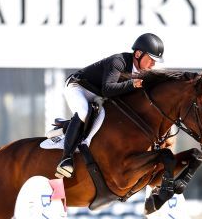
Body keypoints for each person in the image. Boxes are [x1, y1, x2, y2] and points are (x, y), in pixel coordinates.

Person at [56, 33, 165, 179]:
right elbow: (108, 89)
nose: (153, 64)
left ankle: (68, 126)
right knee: (83, 112)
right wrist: (132, 84)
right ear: (138, 54)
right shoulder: (118, 61)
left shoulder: (140, 72)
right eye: (151, 59)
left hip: (98, 94)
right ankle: (66, 159)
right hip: (78, 87)